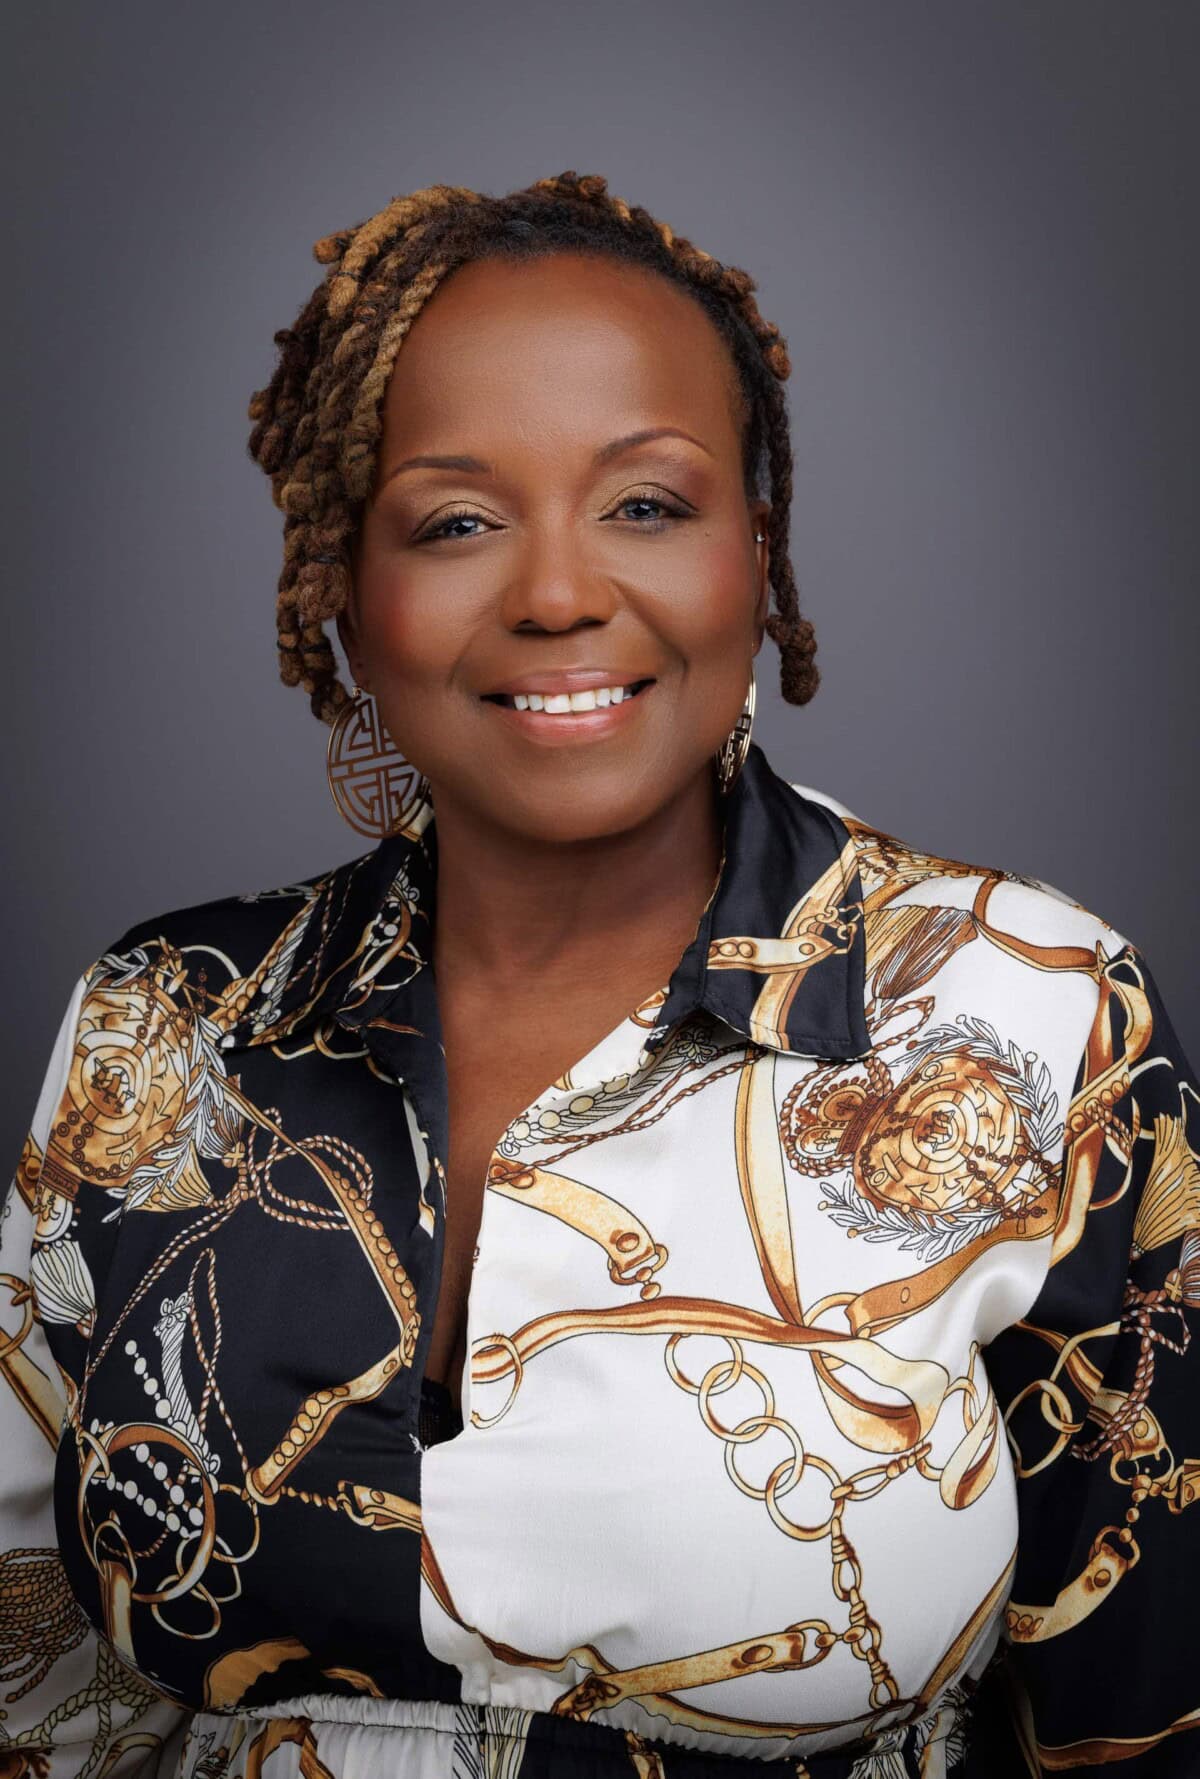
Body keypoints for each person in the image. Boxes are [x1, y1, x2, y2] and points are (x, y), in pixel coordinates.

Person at [2, 170, 1196, 1779]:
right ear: (346, 599)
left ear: (755, 558)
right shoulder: (166, 1022)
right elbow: (41, 1696)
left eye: (646, 503)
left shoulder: (1034, 1012)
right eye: (456, 522)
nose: (559, 592)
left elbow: (1150, 1706)